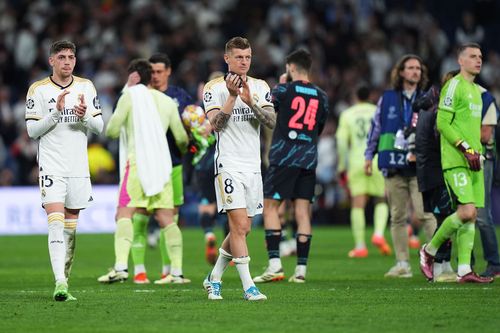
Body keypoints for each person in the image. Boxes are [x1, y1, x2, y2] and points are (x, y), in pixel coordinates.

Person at [98, 59, 189, 284]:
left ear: (135, 78)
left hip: (137, 165)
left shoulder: (130, 97)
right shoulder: (168, 102)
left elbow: (110, 131)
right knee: (167, 218)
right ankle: (176, 272)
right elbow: (181, 138)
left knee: (124, 214)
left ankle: (121, 267)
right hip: (163, 166)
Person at [25, 40, 104, 301]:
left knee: (70, 230)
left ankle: (64, 279)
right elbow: (32, 131)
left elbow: (100, 126)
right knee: (56, 225)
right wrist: (55, 113)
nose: (67, 61)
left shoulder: (86, 86)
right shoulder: (38, 90)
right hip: (52, 166)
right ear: (51, 61)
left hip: (78, 168)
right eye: (61, 57)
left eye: (71, 57)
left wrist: (84, 116)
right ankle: (60, 283)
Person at [201, 36, 275, 301]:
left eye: (247, 57)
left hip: (253, 167)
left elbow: (271, 121)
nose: (244, 62)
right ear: (227, 59)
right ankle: (249, 287)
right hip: (228, 165)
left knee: (242, 230)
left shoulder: (260, 86)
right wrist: (232, 98)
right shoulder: (213, 88)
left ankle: (214, 278)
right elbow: (215, 125)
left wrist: (251, 102)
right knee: (240, 225)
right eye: (239, 57)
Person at [252, 48, 329, 283]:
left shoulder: (283, 89)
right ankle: (301, 271)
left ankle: (275, 264)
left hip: (284, 156)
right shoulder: (321, 95)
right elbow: (320, 128)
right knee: (302, 211)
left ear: (291, 68)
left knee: (271, 207)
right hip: (308, 157)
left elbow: (267, 115)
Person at [419, 43, 494, 283]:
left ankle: (464, 270)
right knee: (467, 211)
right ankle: (428, 250)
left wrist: (477, 153)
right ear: (460, 61)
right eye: (472, 56)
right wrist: (465, 148)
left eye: (480, 56)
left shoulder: (477, 92)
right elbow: (442, 122)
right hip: (457, 160)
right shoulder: (454, 86)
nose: (478, 60)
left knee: (470, 216)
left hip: (474, 161)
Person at [365, 54, 437, 278]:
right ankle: (402, 263)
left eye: (418, 68)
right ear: (402, 72)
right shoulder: (386, 99)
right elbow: (376, 128)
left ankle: (438, 260)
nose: (415, 71)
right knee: (397, 216)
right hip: (393, 165)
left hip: (420, 166)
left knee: (425, 214)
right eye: (410, 68)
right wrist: (369, 156)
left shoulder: (428, 98)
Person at [145, 53, 194, 283]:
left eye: (158, 71)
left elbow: (193, 121)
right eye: (151, 71)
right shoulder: (142, 95)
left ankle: (168, 269)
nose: (155, 76)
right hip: (148, 164)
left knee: (171, 216)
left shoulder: (179, 96)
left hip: (173, 163)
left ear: (168, 71)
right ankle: (137, 270)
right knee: (141, 216)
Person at [413, 70, 459, 282]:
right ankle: (440, 264)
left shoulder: (426, 106)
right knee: (447, 218)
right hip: (438, 170)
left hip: (426, 171)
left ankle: (443, 265)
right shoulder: (439, 111)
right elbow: (440, 140)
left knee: (444, 217)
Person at [336, 85, 391, 258]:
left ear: (356, 97)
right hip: (376, 160)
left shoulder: (347, 114)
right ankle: (379, 234)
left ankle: (360, 246)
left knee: (358, 203)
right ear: (371, 96)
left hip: (356, 161)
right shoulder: (378, 111)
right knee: (381, 198)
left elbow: (342, 142)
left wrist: (341, 167)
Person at [476, 88, 500, 278]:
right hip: (463, 159)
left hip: (484, 159)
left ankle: (494, 263)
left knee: (482, 216)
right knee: (463, 214)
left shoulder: (486, 99)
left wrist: (456, 136)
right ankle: (466, 265)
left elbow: (485, 135)